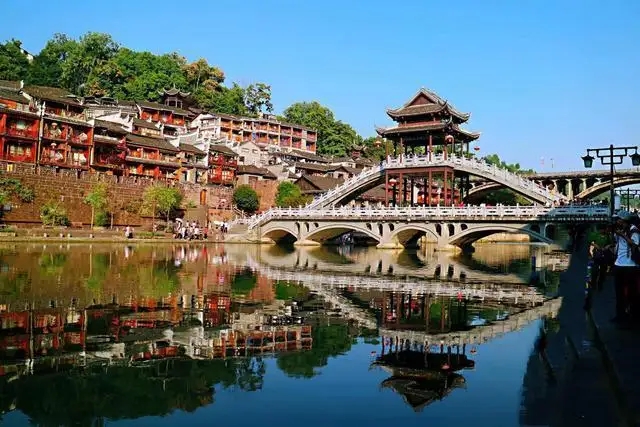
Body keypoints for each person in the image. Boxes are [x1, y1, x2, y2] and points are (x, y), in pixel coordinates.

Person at [612, 211, 640, 324]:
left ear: (624, 220)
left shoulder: (634, 230)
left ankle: (633, 317)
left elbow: (635, 244)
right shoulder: (619, 230)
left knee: (632, 293)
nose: (617, 221)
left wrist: (622, 235)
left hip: (630, 266)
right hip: (619, 264)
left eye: (618, 219)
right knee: (619, 293)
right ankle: (620, 316)